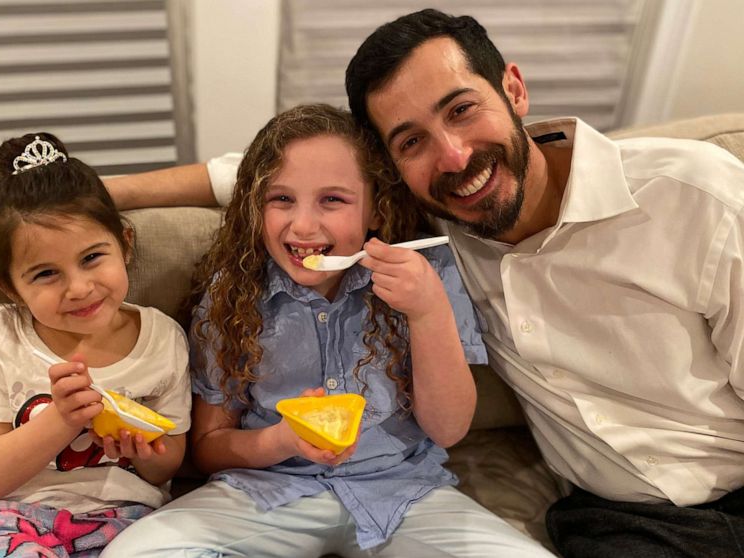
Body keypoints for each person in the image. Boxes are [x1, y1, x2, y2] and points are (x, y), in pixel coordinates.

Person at [106, 9, 744, 558]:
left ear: (514, 89)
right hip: (614, 514)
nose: (455, 157)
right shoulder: (422, 228)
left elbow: (446, 425)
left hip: (414, 492)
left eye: (463, 109)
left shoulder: (693, 192)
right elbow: (275, 170)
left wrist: (429, 311)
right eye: (413, 141)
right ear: (396, 169)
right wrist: (91, 194)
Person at [102, 104, 554, 557]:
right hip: (268, 492)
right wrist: (281, 439)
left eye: (332, 200)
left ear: (375, 210)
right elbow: (208, 447)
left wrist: (427, 310)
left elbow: (449, 428)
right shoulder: (232, 295)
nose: (302, 225)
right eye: (281, 200)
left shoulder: (428, 277)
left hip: (402, 493)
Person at [0, 133, 191, 556]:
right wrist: (62, 419)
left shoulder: (162, 339)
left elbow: (170, 461)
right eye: (45, 274)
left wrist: (144, 451)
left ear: (125, 245)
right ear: (11, 287)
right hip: (3, 516)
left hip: (122, 516)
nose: (79, 288)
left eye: (92, 258)